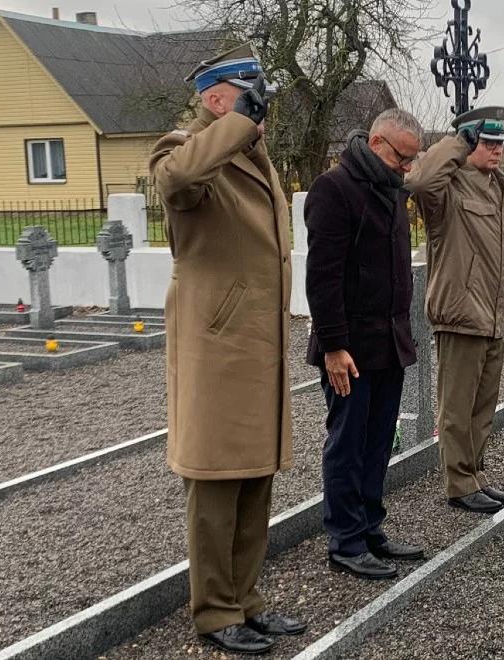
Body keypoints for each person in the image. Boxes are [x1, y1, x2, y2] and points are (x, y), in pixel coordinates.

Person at [149, 44, 306, 655]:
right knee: (216, 485)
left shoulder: (253, 156)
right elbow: (179, 179)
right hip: (218, 349)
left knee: (254, 479)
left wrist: (245, 133)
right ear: (217, 98)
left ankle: (247, 601)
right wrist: (239, 124)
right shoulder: (181, 148)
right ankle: (215, 613)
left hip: (258, 345)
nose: (261, 107)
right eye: (249, 94)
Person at [305, 109, 427, 580]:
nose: (407, 168)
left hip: (388, 343)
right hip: (349, 348)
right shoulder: (334, 189)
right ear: (376, 143)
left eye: (412, 160)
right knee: (347, 444)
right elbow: (323, 276)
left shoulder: (390, 188)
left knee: (378, 443)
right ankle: (346, 540)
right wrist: (334, 346)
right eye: (402, 157)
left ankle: (371, 527)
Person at [406, 107, 504, 514]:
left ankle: (476, 476)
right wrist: (457, 142)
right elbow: (417, 179)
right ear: (470, 143)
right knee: (456, 408)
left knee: (482, 408)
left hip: (492, 316)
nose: (497, 151)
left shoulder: (498, 187)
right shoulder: (448, 189)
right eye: (488, 143)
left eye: (501, 144)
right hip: (460, 312)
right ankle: (458, 483)